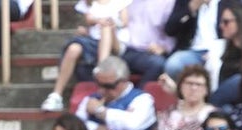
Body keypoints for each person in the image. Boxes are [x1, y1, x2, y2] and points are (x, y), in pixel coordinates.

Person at [40, 2, 173, 111]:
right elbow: (88, 20)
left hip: (117, 42)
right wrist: (97, 21)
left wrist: (108, 21)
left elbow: (124, 22)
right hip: (93, 40)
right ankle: (56, 95)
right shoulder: (89, 2)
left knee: (107, 27)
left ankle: (103, 69)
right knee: (74, 48)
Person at [150, 65, 215, 130]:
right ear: (180, 86)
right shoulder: (167, 114)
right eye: (189, 83)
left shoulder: (213, 115)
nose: (193, 88)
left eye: (199, 84)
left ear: (206, 90)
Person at [162, 0, 224, 82]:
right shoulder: (186, 2)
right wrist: (190, 8)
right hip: (193, 50)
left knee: (216, 65)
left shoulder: (228, 3)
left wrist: (217, 51)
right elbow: (170, 30)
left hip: (221, 49)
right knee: (174, 65)